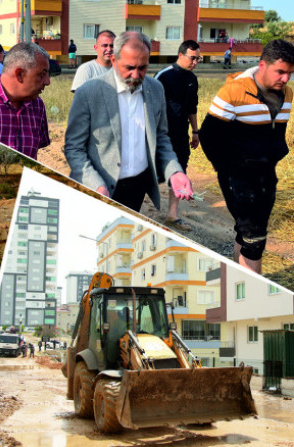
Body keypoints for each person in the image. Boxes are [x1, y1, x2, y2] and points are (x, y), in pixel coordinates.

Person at [63, 31, 194, 212]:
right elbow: (74, 148)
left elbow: (161, 138)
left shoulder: (155, 89)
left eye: (142, 68)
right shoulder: (88, 92)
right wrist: (96, 184)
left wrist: (175, 171)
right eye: (130, 67)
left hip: (137, 185)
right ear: (115, 60)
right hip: (101, 185)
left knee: (124, 235)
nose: (136, 75)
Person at [199, 39, 294, 274]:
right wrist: (229, 169)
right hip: (237, 175)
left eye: (290, 73)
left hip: (265, 174)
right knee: (255, 238)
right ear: (262, 66)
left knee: (245, 232)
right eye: (280, 72)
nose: (285, 79)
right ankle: (254, 292)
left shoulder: (288, 94)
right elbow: (209, 136)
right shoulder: (233, 92)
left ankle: (236, 276)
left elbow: (276, 134)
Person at [154, 40, 201, 231]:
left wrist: (195, 131)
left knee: (180, 170)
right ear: (181, 55)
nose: (195, 62)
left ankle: (172, 215)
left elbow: (192, 108)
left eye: (198, 58)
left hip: (181, 135)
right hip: (160, 135)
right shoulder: (163, 76)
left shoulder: (192, 79)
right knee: (149, 172)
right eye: (193, 58)